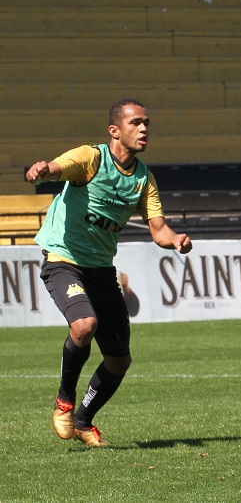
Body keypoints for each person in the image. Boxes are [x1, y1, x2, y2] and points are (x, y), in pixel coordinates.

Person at [25, 98, 192, 447]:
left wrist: (175, 239)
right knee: (84, 325)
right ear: (115, 130)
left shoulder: (144, 178)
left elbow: (158, 230)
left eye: (147, 123)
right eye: (136, 123)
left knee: (119, 360)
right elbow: (58, 166)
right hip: (64, 259)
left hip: (101, 269)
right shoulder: (92, 158)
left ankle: (84, 420)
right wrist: (44, 170)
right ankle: (64, 401)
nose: (144, 128)